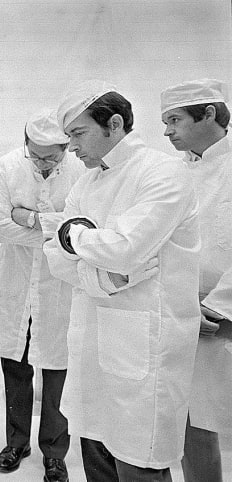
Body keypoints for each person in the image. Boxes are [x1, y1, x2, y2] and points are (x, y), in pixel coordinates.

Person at [44, 80, 200, 482]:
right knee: (95, 452)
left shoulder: (163, 173)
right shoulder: (85, 183)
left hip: (143, 348)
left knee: (137, 464)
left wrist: (71, 235)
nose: (72, 147)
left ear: (113, 124)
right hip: (92, 340)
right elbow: (57, 261)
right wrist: (106, 275)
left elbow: (125, 248)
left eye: (78, 134)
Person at [0, 109, 84, 482]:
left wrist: (26, 217)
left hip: (58, 285)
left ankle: (54, 452)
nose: (43, 164)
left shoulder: (79, 171)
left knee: (57, 367)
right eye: (36, 155)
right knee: (15, 364)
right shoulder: (8, 166)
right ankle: (16, 442)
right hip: (15, 282)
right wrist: (52, 228)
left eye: (52, 156)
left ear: (65, 148)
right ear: (25, 144)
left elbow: (79, 230)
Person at [160, 78, 232, 482]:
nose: (167, 130)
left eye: (174, 119)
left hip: (221, 312)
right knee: (192, 419)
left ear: (208, 114)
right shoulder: (174, 172)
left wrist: (220, 305)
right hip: (187, 311)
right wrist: (186, 304)